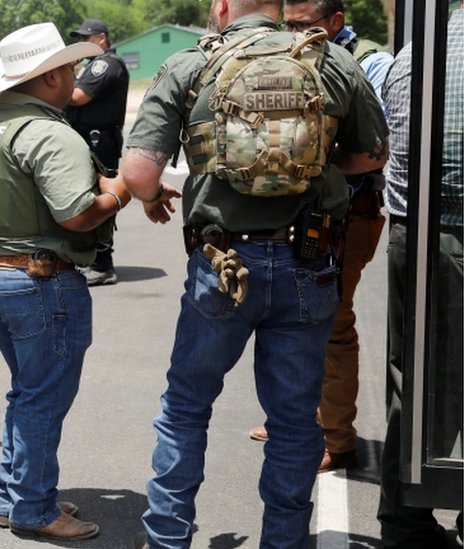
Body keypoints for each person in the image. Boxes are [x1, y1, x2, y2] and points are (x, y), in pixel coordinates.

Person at [120, 0, 388, 546]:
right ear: (281, 8)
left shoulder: (190, 66)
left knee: (186, 406)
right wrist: (311, 164)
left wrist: (153, 196)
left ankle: (168, 538)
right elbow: (373, 154)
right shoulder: (331, 62)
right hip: (308, 262)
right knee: (293, 420)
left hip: (220, 264)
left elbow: (140, 171)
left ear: (222, 8)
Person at [0, 22, 131, 541]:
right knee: (41, 399)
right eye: (70, 66)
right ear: (53, 74)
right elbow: (77, 215)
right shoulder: (50, 132)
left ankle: (13, 498)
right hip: (40, 281)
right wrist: (125, 191)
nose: (76, 72)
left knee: (27, 394)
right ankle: (34, 509)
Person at [247, 0, 396, 475]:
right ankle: (300, 417)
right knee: (297, 316)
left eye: (304, 25)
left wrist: (309, 162)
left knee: (333, 324)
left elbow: (375, 149)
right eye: (287, 24)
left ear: (336, 22)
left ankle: (337, 437)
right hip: (307, 212)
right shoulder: (296, 57)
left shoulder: (369, 63)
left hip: (350, 212)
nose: (293, 33)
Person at [377, 6, 464, 546]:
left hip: (413, 230)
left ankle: (404, 521)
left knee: (411, 380)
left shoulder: (419, 50)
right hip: (454, 226)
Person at [65, 18, 130, 286]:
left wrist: (58, 79)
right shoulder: (92, 65)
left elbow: (77, 97)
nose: (81, 43)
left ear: (101, 39)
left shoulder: (106, 64)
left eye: (85, 39)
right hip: (89, 139)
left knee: (99, 200)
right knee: (85, 197)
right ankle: (93, 259)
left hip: (98, 141)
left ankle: (103, 264)